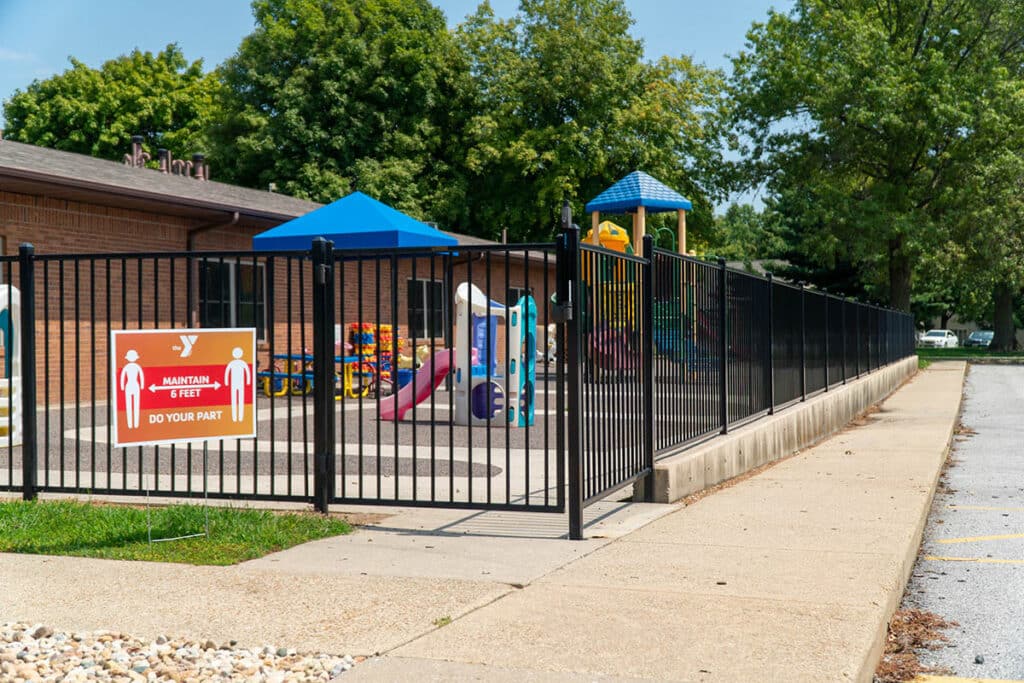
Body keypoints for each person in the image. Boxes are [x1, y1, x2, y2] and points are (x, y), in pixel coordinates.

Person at [224, 347, 252, 422]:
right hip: (237, 383)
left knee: (236, 400)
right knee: (238, 400)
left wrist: (248, 381)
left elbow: (247, 372)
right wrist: (226, 382)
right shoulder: (240, 363)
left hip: (238, 383)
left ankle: (238, 418)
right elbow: (227, 372)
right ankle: (237, 418)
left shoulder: (235, 363)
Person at [120, 349, 144, 429]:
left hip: (131, 386)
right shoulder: (131, 367)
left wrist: (142, 386)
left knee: (134, 405)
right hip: (132, 386)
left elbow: (141, 376)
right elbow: (123, 376)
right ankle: (131, 424)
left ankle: (134, 424)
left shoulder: (133, 367)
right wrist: (122, 387)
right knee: (131, 405)